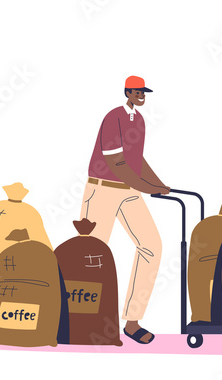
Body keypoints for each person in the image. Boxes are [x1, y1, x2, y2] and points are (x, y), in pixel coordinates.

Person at [80, 75, 169, 344]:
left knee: (152, 246)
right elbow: (116, 161)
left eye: (144, 92)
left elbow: (135, 159)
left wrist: (159, 184)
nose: (142, 95)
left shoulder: (138, 121)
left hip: (128, 192)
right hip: (103, 188)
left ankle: (132, 321)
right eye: (138, 91)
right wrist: (144, 186)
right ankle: (79, 320)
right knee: (89, 254)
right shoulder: (113, 117)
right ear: (128, 92)